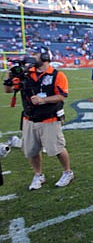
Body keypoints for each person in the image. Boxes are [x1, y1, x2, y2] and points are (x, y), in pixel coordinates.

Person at [3, 45, 74, 190]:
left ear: (44, 56)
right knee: (32, 150)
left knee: (57, 148)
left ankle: (68, 172)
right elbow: (8, 90)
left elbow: (62, 96)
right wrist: (9, 75)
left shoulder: (56, 75)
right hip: (29, 119)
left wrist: (44, 100)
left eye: (35, 54)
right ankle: (38, 174)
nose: (31, 56)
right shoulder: (26, 74)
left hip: (49, 118)